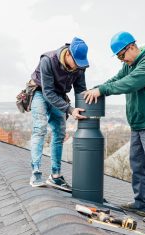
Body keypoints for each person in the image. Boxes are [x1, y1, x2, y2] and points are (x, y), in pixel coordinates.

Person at [84, 31, 145, 226]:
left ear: (131, 47)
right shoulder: (129, 65)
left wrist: (102, 90)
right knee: (137, 165)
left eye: (122, 55)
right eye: (119, 58)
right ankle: (141, 204)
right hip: (137, 125)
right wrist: (96, 88)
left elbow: (128, 84)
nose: (121, 60)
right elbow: (115, 80)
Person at [29, 37, 88, 192]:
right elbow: (48, 92)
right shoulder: (48, 60)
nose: (78, 67)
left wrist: (84, 108)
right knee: (40, 128)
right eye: (76, 62)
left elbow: (80, 90)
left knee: (60, 132)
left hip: (59, 94)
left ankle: (55, 176)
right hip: (40, 92)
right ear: (68, 55)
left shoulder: (80, 67)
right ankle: (36, 173)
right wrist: (69, 109)